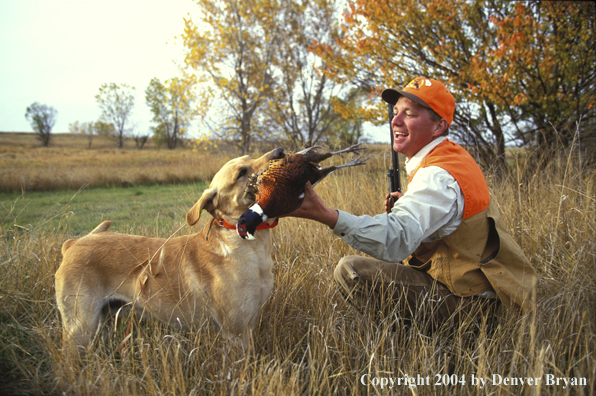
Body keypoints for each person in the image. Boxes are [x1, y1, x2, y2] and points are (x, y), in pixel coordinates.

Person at [288, 77, 537, 328]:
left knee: (350, 270)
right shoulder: (452, 156)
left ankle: (414, 343)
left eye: (409, 114)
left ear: (438, 127)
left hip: (472, 308)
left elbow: (395, 241)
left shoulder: (437, 176)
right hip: (481, 292)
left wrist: (325, 215)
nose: (395, 121)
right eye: (395, 112)